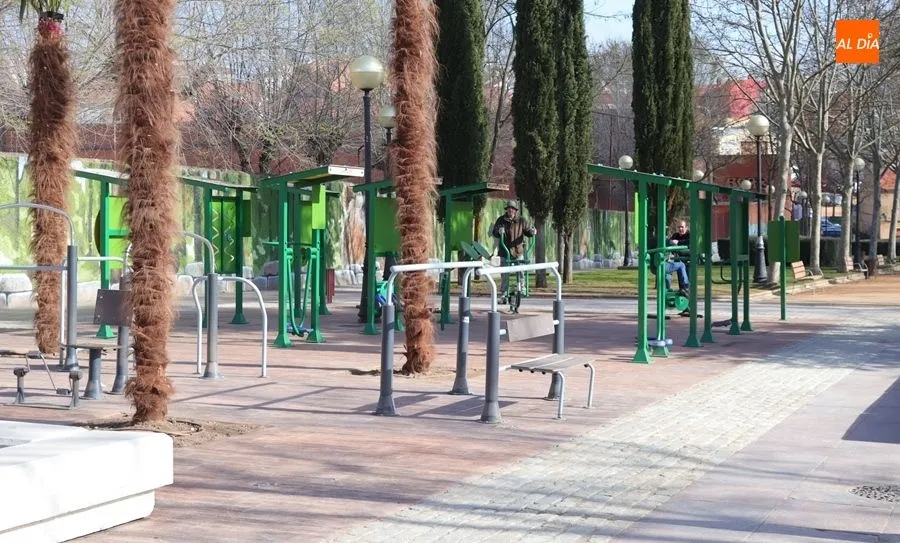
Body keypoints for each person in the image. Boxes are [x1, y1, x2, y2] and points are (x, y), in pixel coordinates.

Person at [491, 200, 536, 302]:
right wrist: (499, 231)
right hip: (505, 251)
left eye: (512, 209)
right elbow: (494, 232)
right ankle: (504, 293)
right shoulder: (501, 220)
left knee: (521, 271)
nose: (510, 210)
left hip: (517, 250)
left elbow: (527, 231)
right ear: (507, 210)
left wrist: (532, 232)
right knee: (504, 274)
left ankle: (522, 288)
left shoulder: (521, 220)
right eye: (509, 208)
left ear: (515, 210)